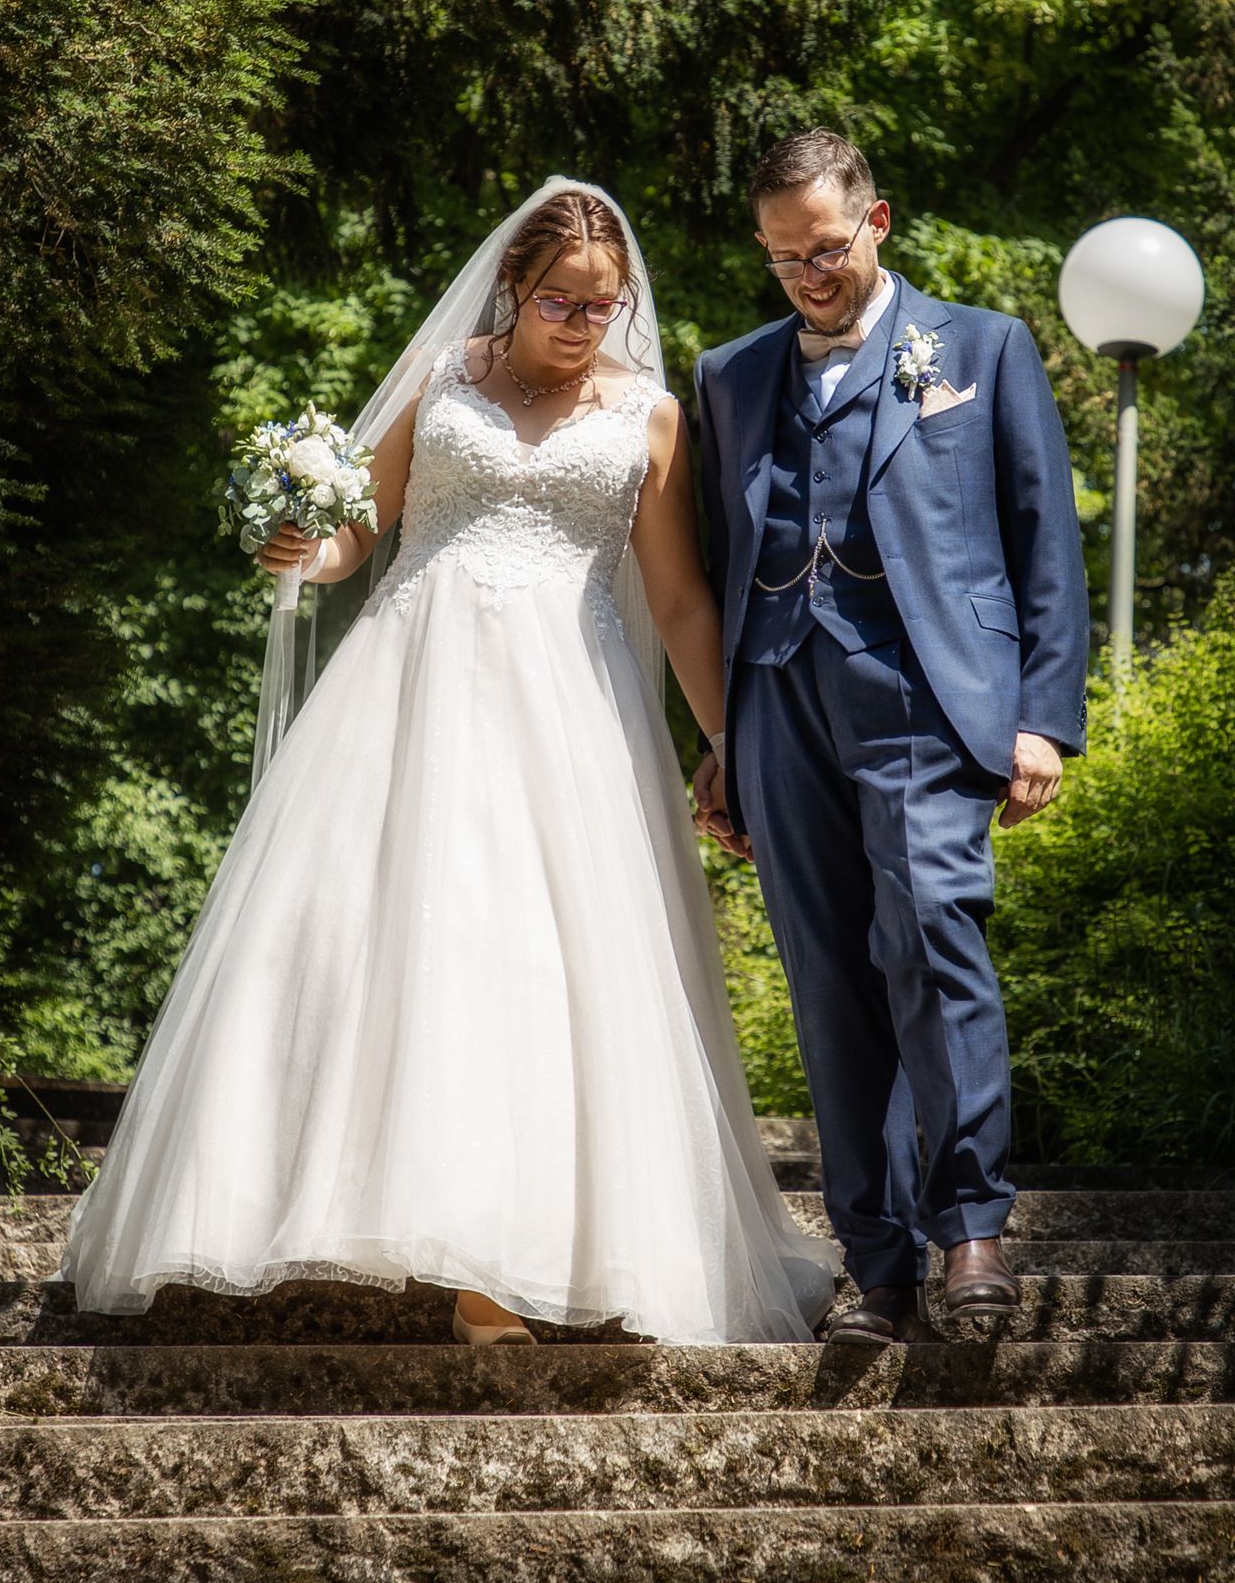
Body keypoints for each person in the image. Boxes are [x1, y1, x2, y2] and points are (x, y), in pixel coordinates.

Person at [62, 179, 839, 1345]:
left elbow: (677, 602)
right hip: (409, 682)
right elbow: (357, 534)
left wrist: (727, 741)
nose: (582, 326)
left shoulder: (651, 416)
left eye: (602, 307)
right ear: (514, 288)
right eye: (560, 302)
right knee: (367, 942)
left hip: (568, 709)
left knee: (529, 961)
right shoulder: (440, 384)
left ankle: (503, 1263)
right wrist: (303, 544)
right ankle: (276, 1212)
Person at [694, 130, 1088, 1344]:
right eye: (779, 261)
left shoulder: (979, 347)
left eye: (820, 249)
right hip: (778, 700)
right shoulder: (728, 376)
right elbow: (711, 567)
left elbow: (1042, 537)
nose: (804, 277)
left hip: (926, 696)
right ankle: (876, 1267)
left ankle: (967, 1228)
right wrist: (718, 738)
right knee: (825, 983)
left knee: (931, 941)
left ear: (875, 221)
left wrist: (1042, 716)